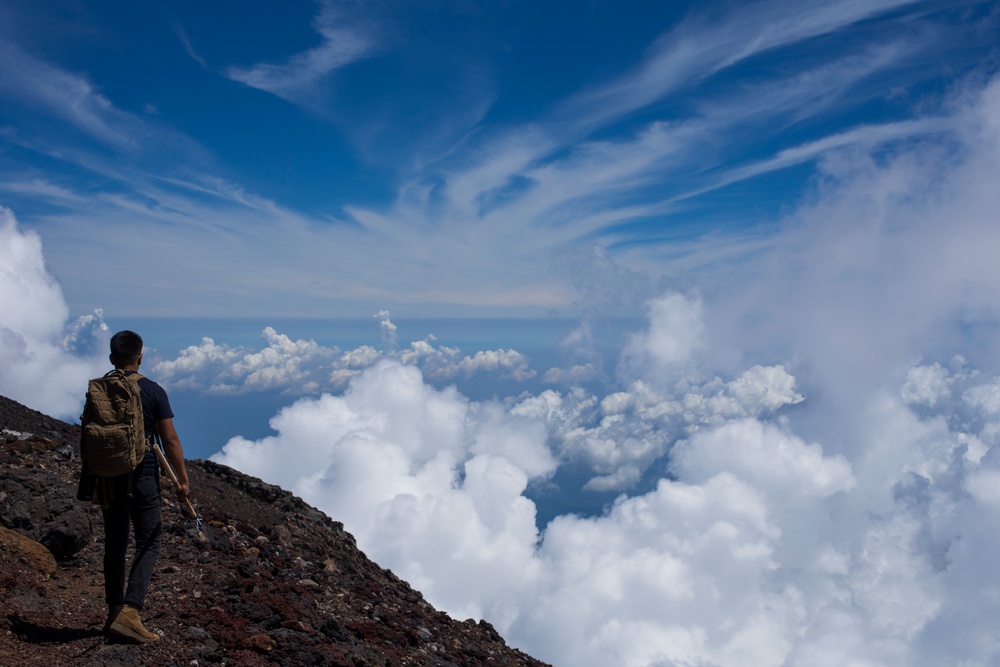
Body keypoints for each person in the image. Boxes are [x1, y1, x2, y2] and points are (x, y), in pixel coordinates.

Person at [83, 330, 190, 643]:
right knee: (149, 539)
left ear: (111, 358)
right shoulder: (152, 390)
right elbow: (168, 439)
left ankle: (114, 612)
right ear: (140, 357)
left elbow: (89, 437)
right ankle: (131, 612)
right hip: (141, 475)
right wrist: (182, 479)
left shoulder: (97, 390)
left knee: (115, 542)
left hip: (106, 477)